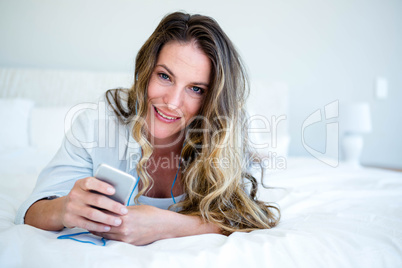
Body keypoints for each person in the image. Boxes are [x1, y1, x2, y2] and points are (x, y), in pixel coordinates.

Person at [15, 11, 280, 246]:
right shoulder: (96, 124)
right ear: (145, 72)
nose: (173, 103)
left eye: (196, 89)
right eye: (164, 76)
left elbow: (245, 217)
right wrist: (62, 210)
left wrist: (168, 225)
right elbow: (29, 212)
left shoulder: (225, 133)